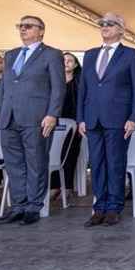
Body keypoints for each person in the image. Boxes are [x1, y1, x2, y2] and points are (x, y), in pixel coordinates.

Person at [0, 16, 65, 226]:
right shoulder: (11, 54)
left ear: (41, 31)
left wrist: (52, 114)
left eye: (28, 26)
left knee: (36, 162)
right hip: (9, 117)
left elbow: (58, 87)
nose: (22, 29)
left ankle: (33, 207)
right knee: (14, 164)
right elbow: (4, 86)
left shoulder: (51, 54)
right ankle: (18, 206)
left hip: (37, 117)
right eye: (20, 26)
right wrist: (0, 112)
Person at [77, 12, 135, 227]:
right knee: (96, 164)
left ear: (121, 30)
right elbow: (83, 88)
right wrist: (80, 118)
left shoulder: (131, 55)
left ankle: (114, 208)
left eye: (110, 23)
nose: (104, 26)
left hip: (118, 118)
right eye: (102, 23)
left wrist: (133, 117)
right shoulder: (90, 54)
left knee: (115, 163)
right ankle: (99, 208)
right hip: (92, 118)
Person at [49, 52, 81, 199]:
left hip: (73, 123)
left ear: (75, 65)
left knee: (69, 154)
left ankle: (67, 186)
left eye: (70, 60)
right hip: (54, 123)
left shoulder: (79, 82)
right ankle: (54, 186)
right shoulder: (52, 81)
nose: (66, 62)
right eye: (64, 60)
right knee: (53, 153)